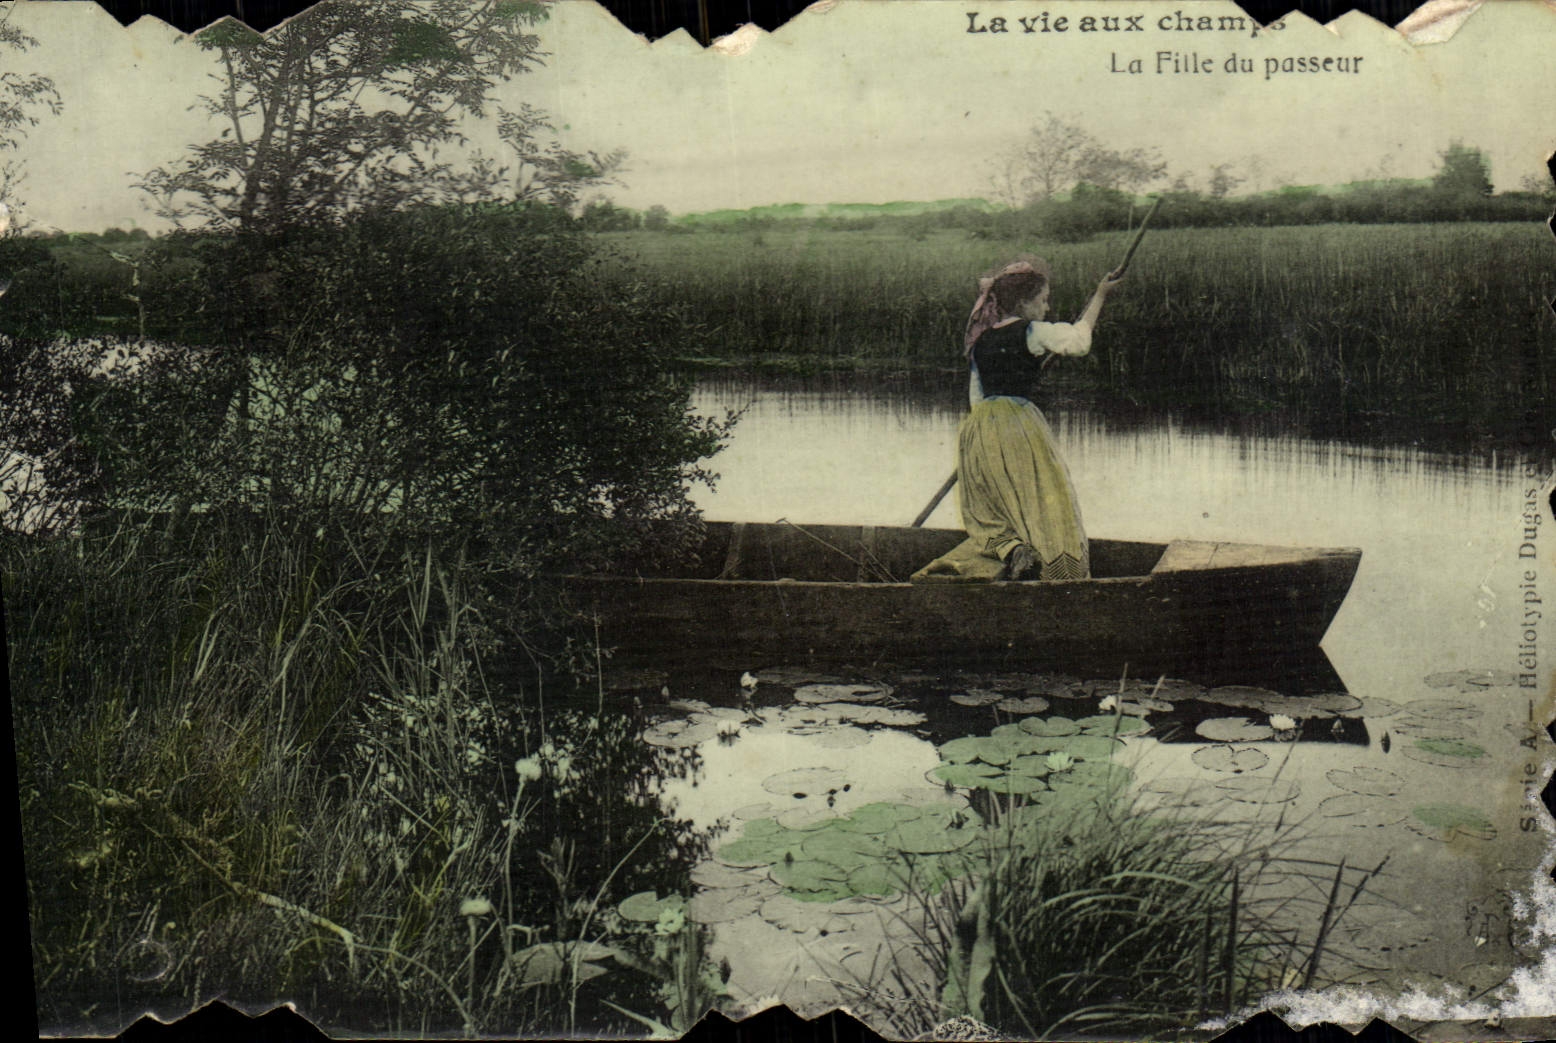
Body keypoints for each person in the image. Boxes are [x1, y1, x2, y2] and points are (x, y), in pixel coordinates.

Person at [915, 257, 1122, 583]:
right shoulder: (1032, 330)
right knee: (1042, 500)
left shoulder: (981, 340)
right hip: (1017, 426)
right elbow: (1079, 342)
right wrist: (1100, 296)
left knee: (992, 509)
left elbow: (977, 397)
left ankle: (1012, 550)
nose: (1047, 307)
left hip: (980, 428)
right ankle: (1057, 575)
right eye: (1042, 300)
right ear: (1024, 303)